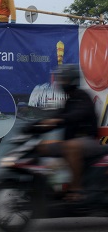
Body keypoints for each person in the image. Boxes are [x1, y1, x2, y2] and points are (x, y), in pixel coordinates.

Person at [36, 64, 100, 201]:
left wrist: (57, 120)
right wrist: (36, 126)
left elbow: (77, 114)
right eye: (60, 79)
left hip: (88, 142)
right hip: (69, 143)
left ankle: (77, 189)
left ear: (72, 81)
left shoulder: (83, 97)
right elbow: (57, 117)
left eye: (64, 80)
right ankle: (46, 188)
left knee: (70, 146)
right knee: (40, 146)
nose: (61, 83)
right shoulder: (69, 101)